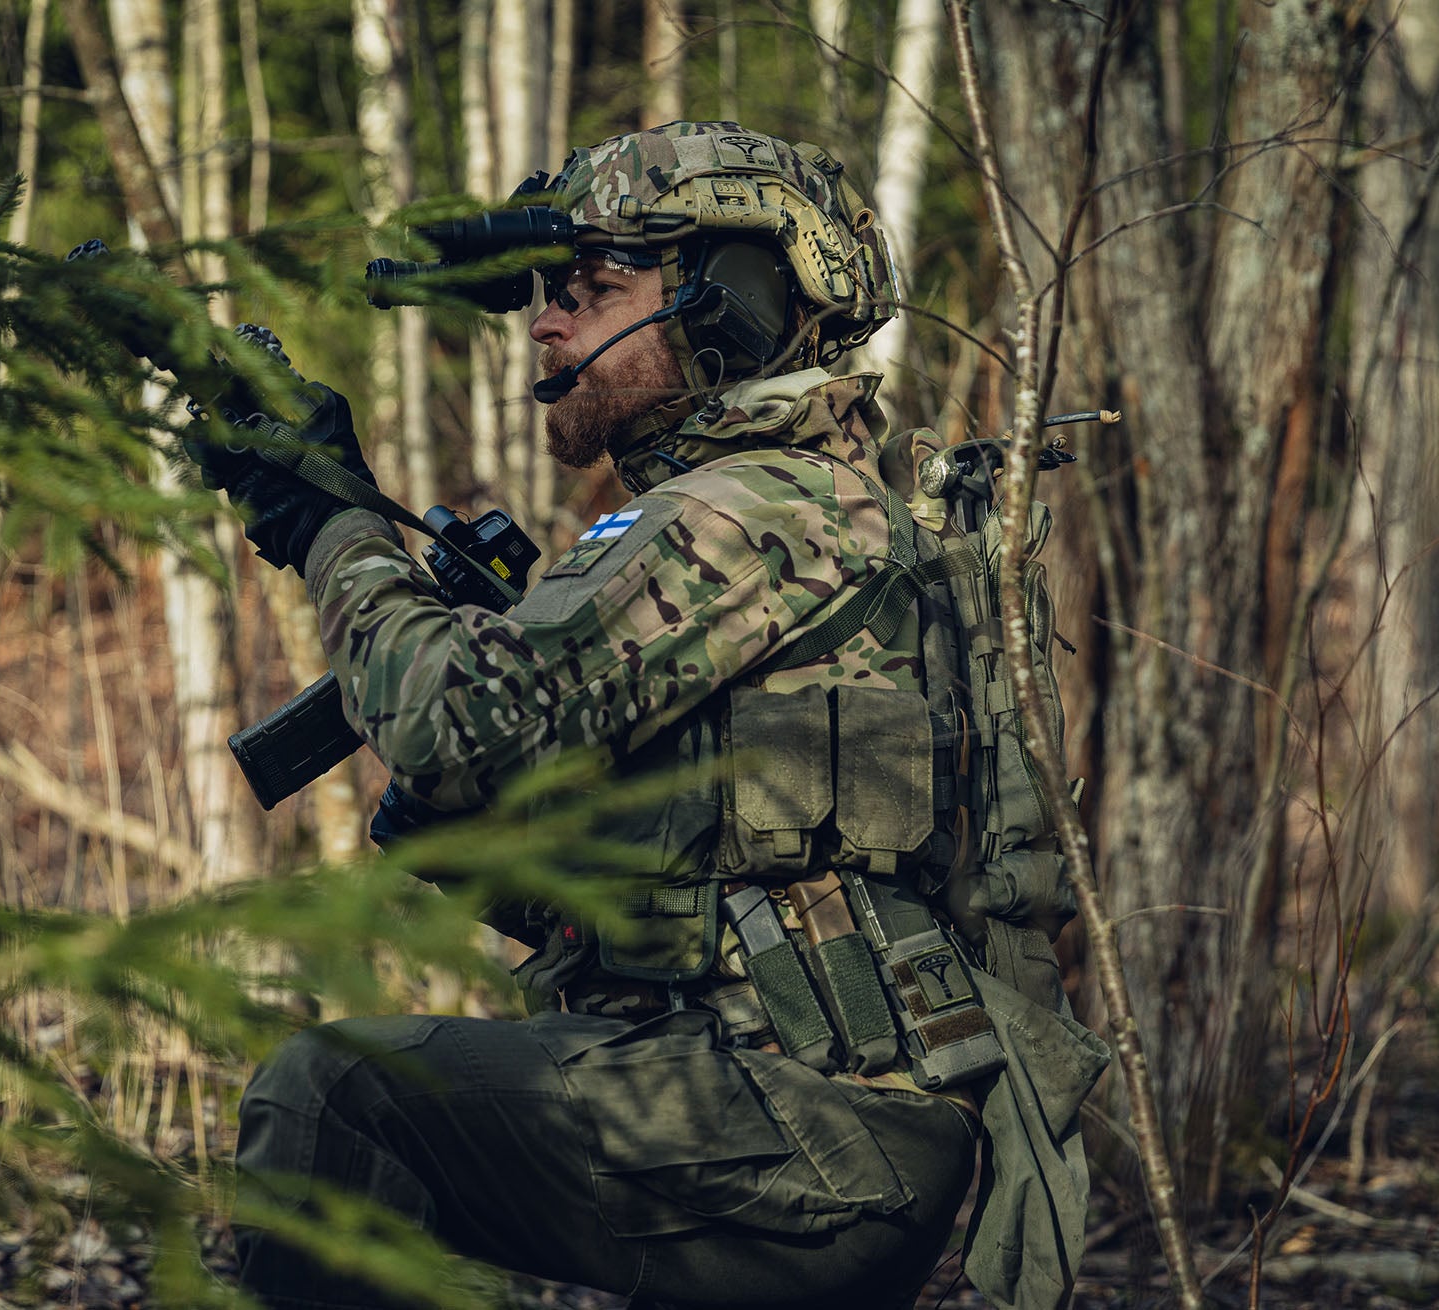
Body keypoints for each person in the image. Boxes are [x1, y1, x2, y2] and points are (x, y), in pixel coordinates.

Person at [201, 123, 1108, 1310]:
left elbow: (447, 723)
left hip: (801, 1126)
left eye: (588, 289)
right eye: (541, 294)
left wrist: (328, 518)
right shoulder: (810, 513)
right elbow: (643, 877)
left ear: (722, 306)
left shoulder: (753, 510)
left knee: (329, 1099)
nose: (544, 323)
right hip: (803, 1119)